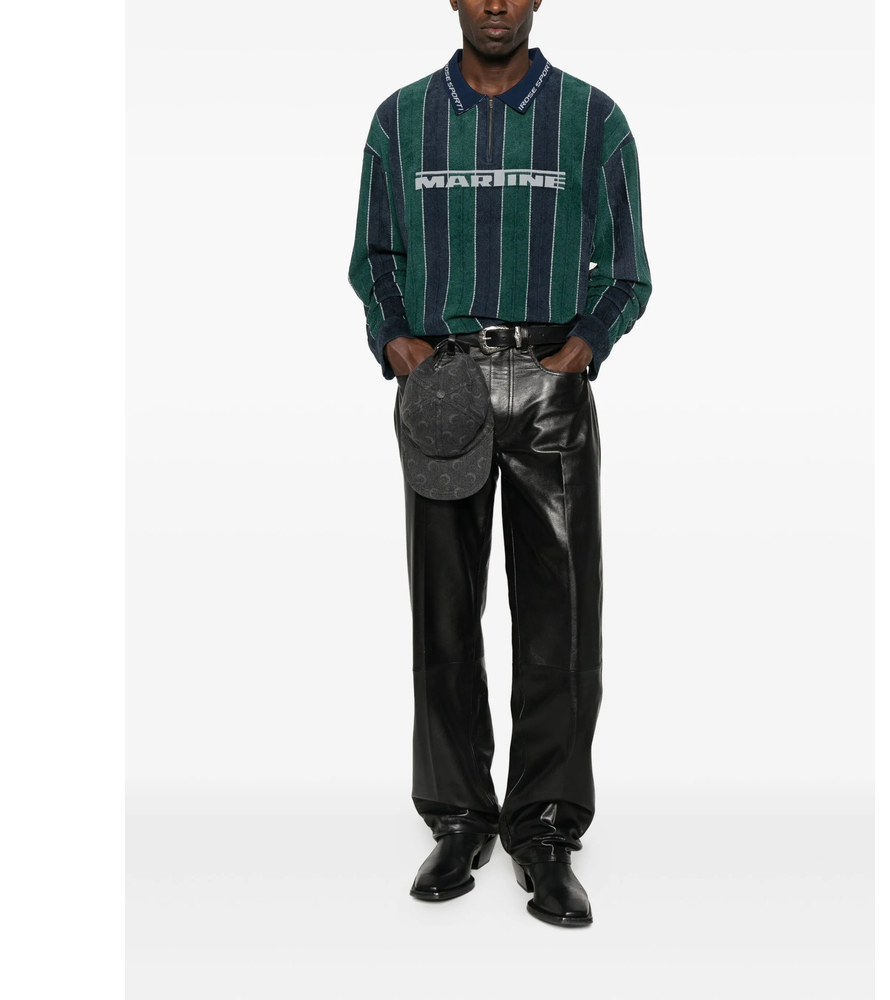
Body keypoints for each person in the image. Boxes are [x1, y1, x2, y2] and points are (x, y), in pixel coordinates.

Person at [348, 0, 652, 927]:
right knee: (444, 614)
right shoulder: (402, 121)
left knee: (562, 621)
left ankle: (546, 829)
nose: (495, 4)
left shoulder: (591, 118)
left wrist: (585, 345)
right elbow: (375, 256)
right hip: (443, 387)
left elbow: (626, 268)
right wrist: (396, 339)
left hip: (550, 386)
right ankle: (458, 818)